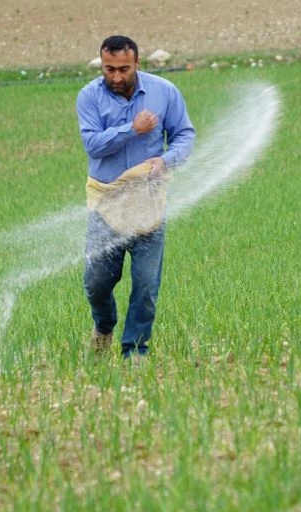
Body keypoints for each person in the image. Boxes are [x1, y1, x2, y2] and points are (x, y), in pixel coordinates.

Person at [76, 35, 196, 360]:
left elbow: (184, 135)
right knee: (97, 283)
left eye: (123, 69)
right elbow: (93, 145)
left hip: (149, 204)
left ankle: (135, 353)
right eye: (109, 69)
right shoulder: (89, 97)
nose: (116, 76)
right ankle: (104, 327)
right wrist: (133, 128)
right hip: (106, 205)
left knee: (145, 287)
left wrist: (165, 161)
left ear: (137, 64)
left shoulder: (164, 92)